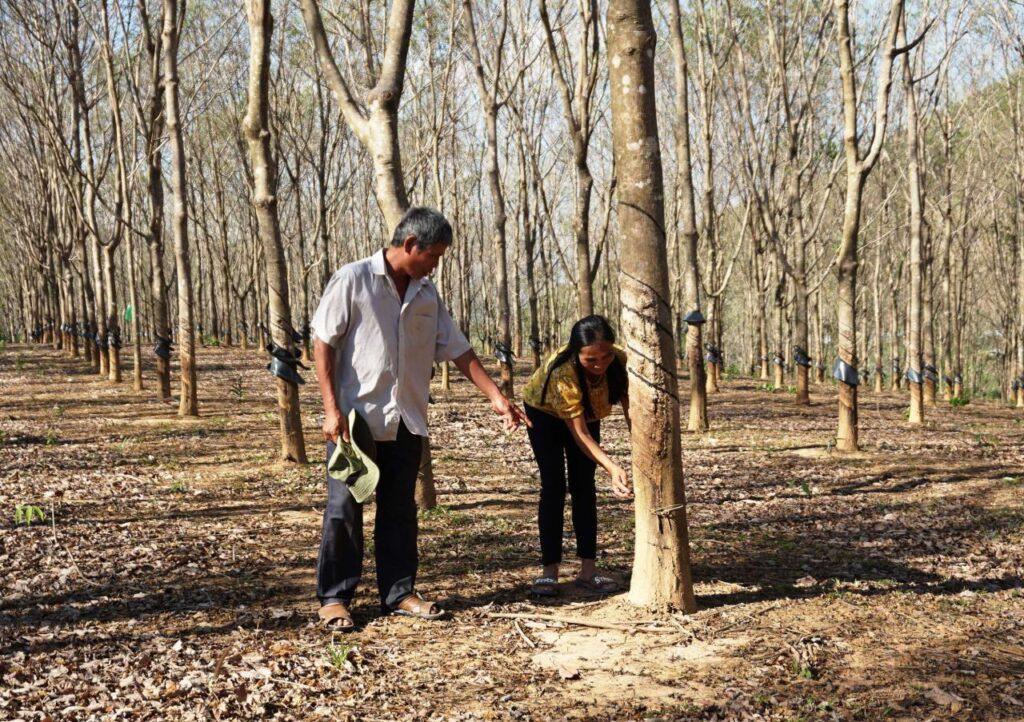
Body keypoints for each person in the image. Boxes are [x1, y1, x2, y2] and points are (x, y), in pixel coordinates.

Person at [310, 207, 529, 630]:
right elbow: (323, 342)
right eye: (433, 256)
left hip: (407, 418)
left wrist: (496, 398)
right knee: (344, 508)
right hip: (356, 420)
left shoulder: (426, 294)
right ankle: (335, 597)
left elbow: (458, 349)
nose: (435, 264)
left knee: (399, 511)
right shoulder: (353, 279)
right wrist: (331, 409)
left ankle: (399, 592)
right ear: (410, 244)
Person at [521, 315, 633, 597]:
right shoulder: (564, 373)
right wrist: (612, 467)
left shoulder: (618, 360)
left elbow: (630, 405)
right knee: (554, 487)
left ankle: (588, 571)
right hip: (544, 415)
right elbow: (581, 435)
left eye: (604, 356)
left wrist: (638, 446)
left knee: (584, 487)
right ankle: (549, 572)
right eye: (591, 360)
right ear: (576, 353)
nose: (600, 365)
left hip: (587, 412)